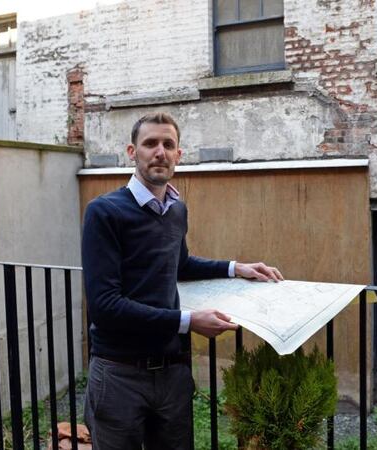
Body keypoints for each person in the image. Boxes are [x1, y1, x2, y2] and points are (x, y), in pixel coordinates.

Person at [81, 112, 283, 450]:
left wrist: (236, 268)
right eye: (150, 144)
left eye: (168, 144)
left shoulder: (176, 209)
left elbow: (181, 265)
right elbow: (104, 306)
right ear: (132, 152)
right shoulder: (104, 212)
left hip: (172, 373)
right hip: (119, 374)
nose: (159, 151)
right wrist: (188, 322)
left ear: (179, 155)